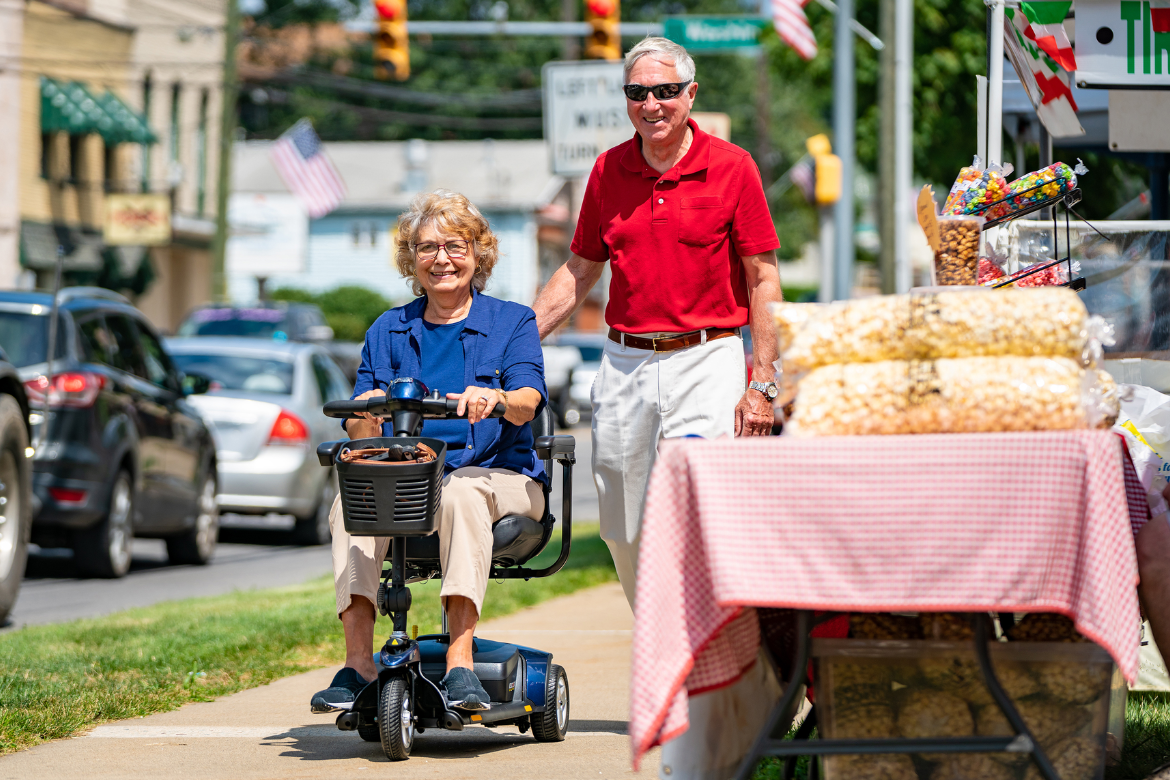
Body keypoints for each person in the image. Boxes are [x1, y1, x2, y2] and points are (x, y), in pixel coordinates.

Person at [532, 37, 784, 607]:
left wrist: (762, 383)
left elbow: (763, 278)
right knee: (621, 520)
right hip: (624, 362)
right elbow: (579, 269)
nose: (653, 104)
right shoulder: (607, 170)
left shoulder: (733, 168)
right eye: (638, 92)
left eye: (667, 91)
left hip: (709, 356)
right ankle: (658, 632)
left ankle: (713, 642)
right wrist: (513, 339)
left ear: (691, 94)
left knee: (704, 504)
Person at [310, 189, 548, 713]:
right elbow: (357, 429)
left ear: (478, 254)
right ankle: (358, 664)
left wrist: (497, 397)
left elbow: (528, 402)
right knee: (350, 507)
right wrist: (365, 409)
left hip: (500, 476)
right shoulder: (388, 329)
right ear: (410, 260)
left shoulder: (512, 323)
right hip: (411, 482)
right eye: (427, 247)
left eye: (455, 245)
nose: (441, 258)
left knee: (462, 492)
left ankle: (460, 661)